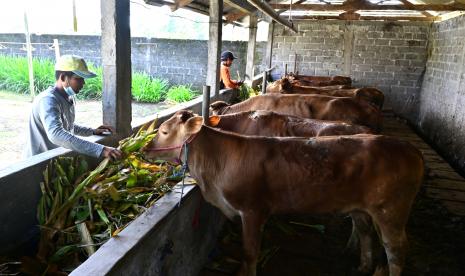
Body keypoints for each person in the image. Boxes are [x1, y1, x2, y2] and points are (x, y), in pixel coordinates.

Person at [24, 55, 122, 160]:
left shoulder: (68, 97)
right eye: (79, 79)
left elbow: (67, 126)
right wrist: (101, 150)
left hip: (55, 158)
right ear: (63, 78)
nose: (83, 83)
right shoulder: (48, 100)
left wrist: (92, 131)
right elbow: (56, 134)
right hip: (39, 160)